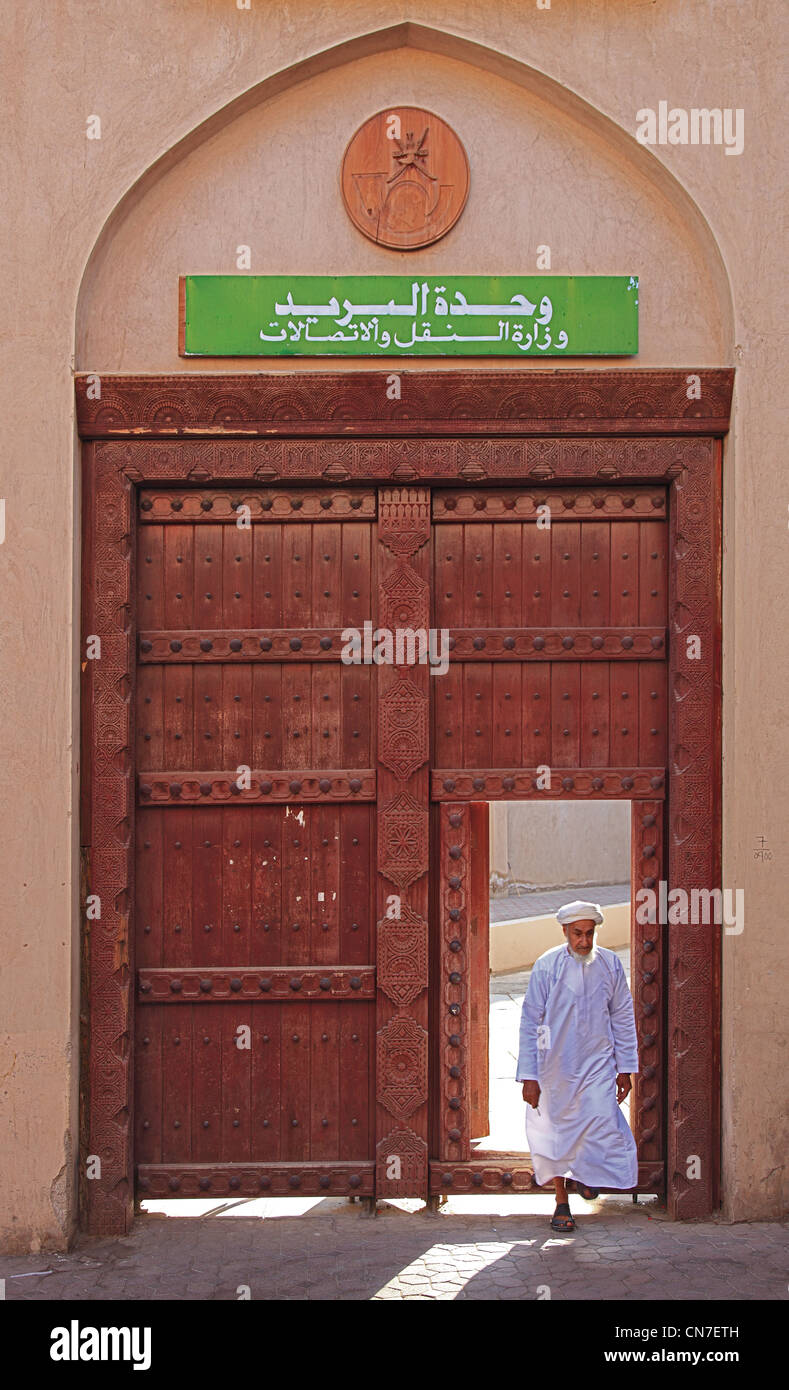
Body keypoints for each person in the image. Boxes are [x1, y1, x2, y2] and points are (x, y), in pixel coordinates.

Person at [516, 900, 639, 1231]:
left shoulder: (610, 964)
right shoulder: (547, 967)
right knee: (556, 1133)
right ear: (564, 932)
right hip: (555, 1066)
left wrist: (624, 1068)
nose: (584, 941)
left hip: (598, 1061)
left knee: (600, 1119)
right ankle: (561, 1202)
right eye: (577, 934)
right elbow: (531, 1021)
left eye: (589, 934)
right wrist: (530, 1075)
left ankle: (585, 1175)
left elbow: (622, 1016)